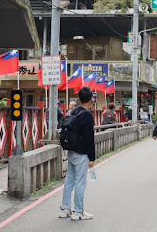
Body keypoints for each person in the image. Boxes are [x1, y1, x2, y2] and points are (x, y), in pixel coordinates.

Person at [59, 86, 95, 220]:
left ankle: (65, 208)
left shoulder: (73, 111)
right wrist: (92, 158)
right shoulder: (87, 115)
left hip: (71, 151)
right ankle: (78, 211)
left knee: (69, 180)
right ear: (91, 98)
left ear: (79, 99)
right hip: (81, 153)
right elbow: (89, 138)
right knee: (80, 182)